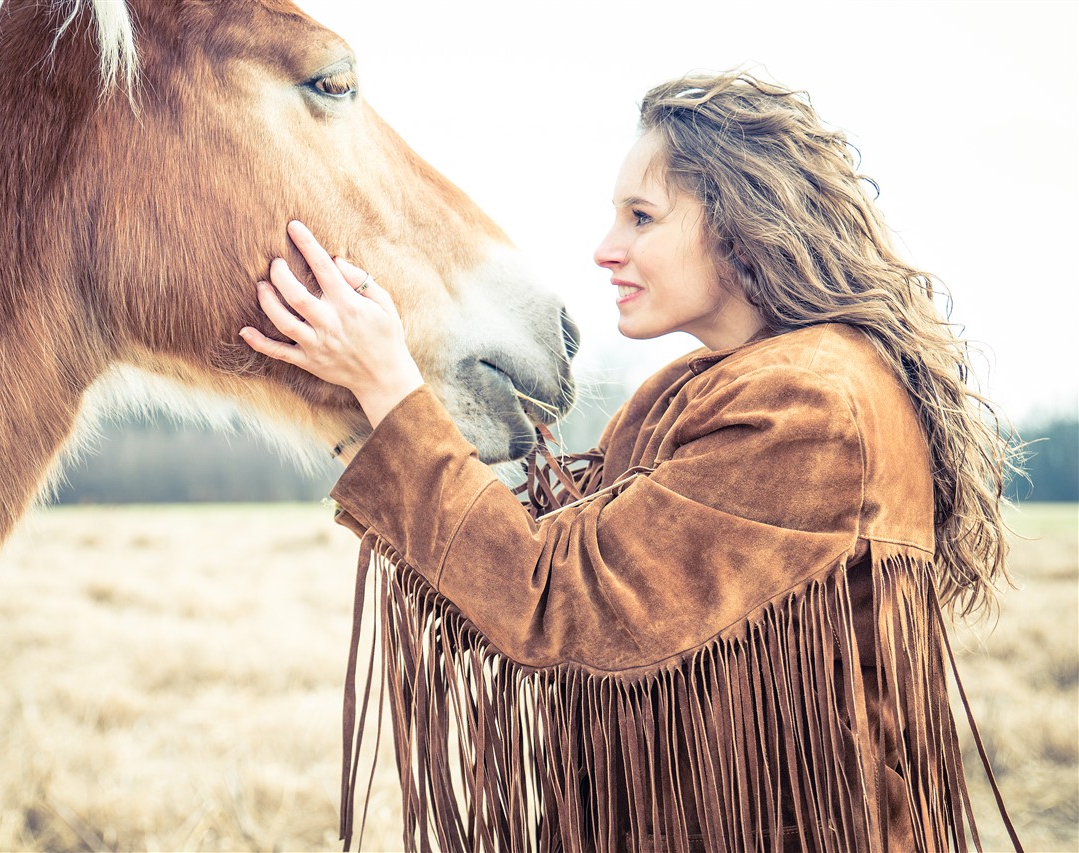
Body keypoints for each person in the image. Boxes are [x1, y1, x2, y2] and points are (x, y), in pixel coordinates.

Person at [239, 71, 1021, 852]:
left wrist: (391, 386)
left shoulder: (807, 404)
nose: (606, 249)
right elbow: (529, 532)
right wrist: (364, 399)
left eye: (641, 217)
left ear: (744, 223)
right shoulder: (694, 388)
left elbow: (549, 594)